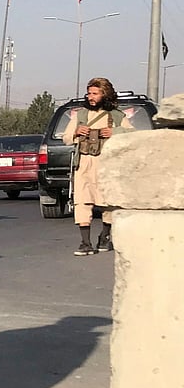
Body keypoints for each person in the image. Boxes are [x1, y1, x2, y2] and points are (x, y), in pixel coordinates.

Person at [65, 77, 130, 257]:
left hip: (107, 165)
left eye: (95, 93)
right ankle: (85, 243)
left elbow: (133, 134)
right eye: (89, 93)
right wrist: (77, 132)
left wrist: (115, 132)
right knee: (82, 202)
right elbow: (66, 137)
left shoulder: (116, 116)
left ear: (105, 94)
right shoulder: (81, 115)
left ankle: (104, 236)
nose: (90, 97)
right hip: (84, 163)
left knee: (107, 202)